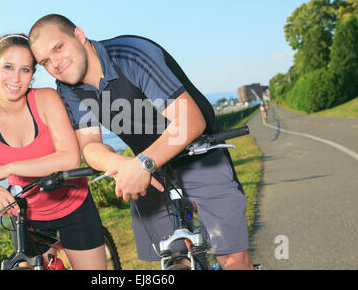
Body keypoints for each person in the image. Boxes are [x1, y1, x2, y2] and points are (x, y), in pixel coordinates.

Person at [28, 14, 254, 270]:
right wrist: (122, 165)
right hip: (148, 170)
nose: (55, 64)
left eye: (58, 48)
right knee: (172, 260)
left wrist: (141, 164)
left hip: (199, 154)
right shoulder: (68, 87)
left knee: (232, 258)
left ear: (79, 35)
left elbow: (190, 122)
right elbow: (89, 145)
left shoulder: (131, 54)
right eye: (45, 61)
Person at [0, 33, 106, 270]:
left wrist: (7, 169)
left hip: (74, 205)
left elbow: (69, 158)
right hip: (27, 217)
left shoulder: (46, 99)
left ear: (32, 74)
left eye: (25, 70)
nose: (16, 78)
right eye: (8, 67)